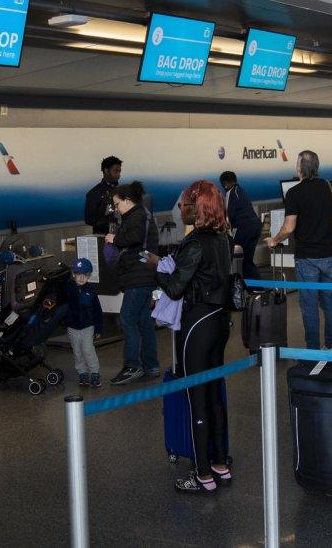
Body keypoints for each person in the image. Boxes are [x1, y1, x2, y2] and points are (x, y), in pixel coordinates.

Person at [143, 181, 234, 494]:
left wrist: (156, 268)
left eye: (183, 204)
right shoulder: (223, 237)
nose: (179, 209)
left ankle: (203, 474)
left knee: (197, 399)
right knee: (213, 395)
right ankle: (220, 463)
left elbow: (174, 288)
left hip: (197, 325)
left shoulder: (195, 243)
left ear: (197, 208)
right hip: (219, 322)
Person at [265, 151, 332, 350]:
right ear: (316, 167)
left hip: (306, 258)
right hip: (329, 255)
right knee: (329, 302)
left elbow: (289, 227)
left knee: (309, 305)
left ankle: (312, 350)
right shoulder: (330, 187)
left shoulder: (294, 193)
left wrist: (274, 240)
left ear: (300, 168)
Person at [107, 181, 161, 386]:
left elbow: (133, 237)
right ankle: (151, 364)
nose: (116, 208)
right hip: (145, 275)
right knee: (143, 321)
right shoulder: (141, 214)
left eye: (117, 203)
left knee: (127, 319)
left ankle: (132, 366)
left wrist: (114, 238)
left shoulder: (137, 215)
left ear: (128, 201)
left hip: (138, 276)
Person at [65, 258, 103, 387]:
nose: (82, 278)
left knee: (88, 350)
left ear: (89, 275)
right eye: (78, 274)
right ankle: (82, 372)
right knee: (77, 351)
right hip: (72, 327)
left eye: (85, 275)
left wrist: (98, 329)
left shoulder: (91, 290)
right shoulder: (68, 289)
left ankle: (94, 373)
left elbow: (97, 310)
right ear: (73, 274)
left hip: (88, 326)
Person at [219, 171, 262, 280]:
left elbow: (230, 217)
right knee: (247, 260)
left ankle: (240, 288)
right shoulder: (240, 190)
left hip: (244, 228)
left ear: (225, 184)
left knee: (238, 258)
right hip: (255, 227)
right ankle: (256, 288)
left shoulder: (231, 193)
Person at [84, 155, 122, 235]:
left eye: (119, 171)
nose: (118, 175)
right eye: (115, 171)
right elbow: (89, 220)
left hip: (121, 236)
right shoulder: (95, 193)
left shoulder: (122, 191)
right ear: (106, 171)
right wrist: (109, 224)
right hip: (103, 237)